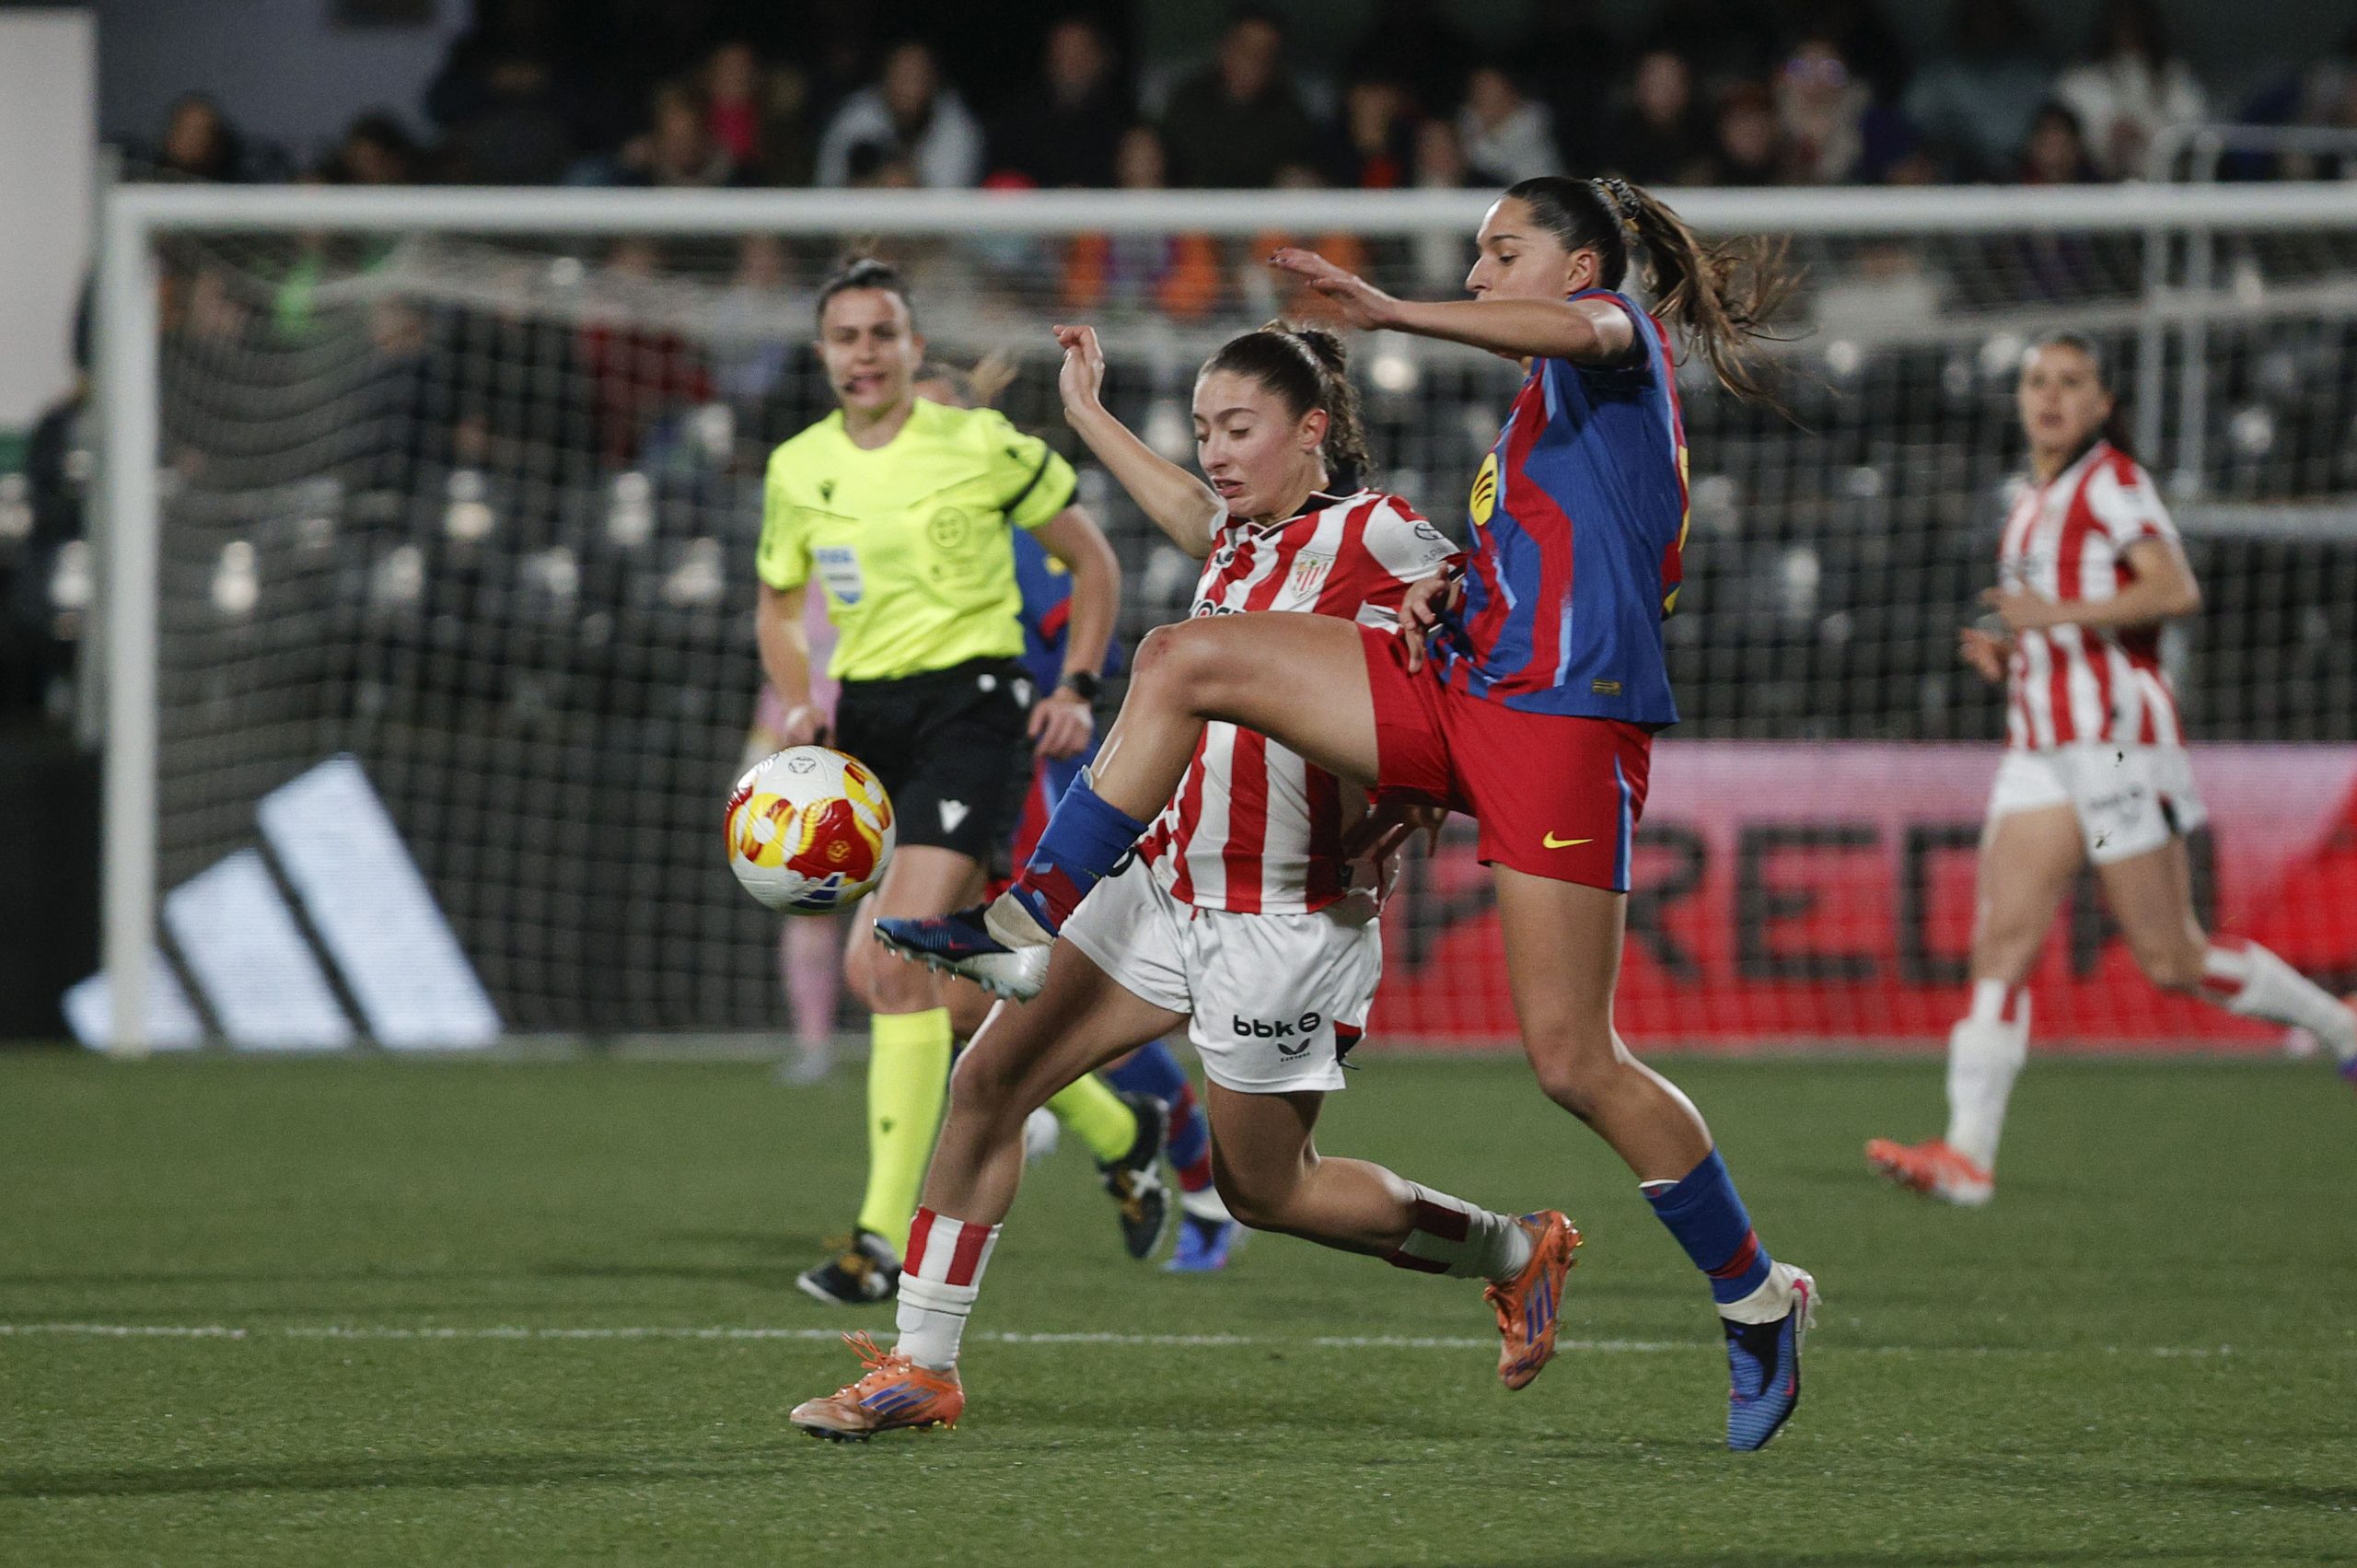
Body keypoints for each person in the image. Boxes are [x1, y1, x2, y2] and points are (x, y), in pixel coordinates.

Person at [877, 175, 1820, 1451]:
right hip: (1371, 758)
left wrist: (1391, 313)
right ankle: (924, 1341)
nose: (1479, 273)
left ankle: (1753, 1294)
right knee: (1176, 671)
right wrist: (1455, 595)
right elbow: (1272, 527)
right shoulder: (1505, 436)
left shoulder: (1613, 345)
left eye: (1503, 252)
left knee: (1566, 1062)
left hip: (1541, 734)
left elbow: (1573, 348)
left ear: (1581, 267)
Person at [790, 318, 1572, 1442]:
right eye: (1202, 428)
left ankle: (1515, 1245)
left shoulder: (1381, 531)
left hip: (1283, 915)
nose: (1214, 451)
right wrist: (1087, 412)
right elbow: (1180, 505)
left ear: (1311, 429)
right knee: (988, 1082)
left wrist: (1418, 787)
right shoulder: (1237, 539)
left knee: (1268, 1187)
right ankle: (921, 1363)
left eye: (1238, 428)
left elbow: (1481, 638)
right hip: (1158, 882)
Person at [1867, 335, 2357, 1207]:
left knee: (2171, 956)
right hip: (2040, 744)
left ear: (2101, 404)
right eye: (2037, 382)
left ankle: (2339, 1026)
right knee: (2001, 942)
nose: (2050, 396)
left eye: (2071, 383)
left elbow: (2174, 590)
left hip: (2117, 740)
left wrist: (2053, 614)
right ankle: (1968, 1154)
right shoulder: (2029, 501)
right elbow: (2064, 623)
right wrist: (2016, 650)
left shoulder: (2113, 481)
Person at [757, 257, 1153, 1304]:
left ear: (912, 344)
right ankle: (1121, 1129)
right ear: (823, 353)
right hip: (868, 724)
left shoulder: (979, 444)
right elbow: (776, 603)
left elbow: (1096, 563)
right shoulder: (799, 467)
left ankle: (879, 1242)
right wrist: (797, 700)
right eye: (846, 336)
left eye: (882, 333)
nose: (865, 353)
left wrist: (1076, 682)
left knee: (894, 962)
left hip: (972, 712)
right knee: (909, 979)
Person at [814, 41, 983, 190]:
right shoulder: (854, 118)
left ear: (935, 81)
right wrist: (873, 184)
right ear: (884, 79)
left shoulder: (957, 128)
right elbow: (827, 188)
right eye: (902, 75)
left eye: (918, 77)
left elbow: (950, 203)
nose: (909, 87)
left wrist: (911, 184)